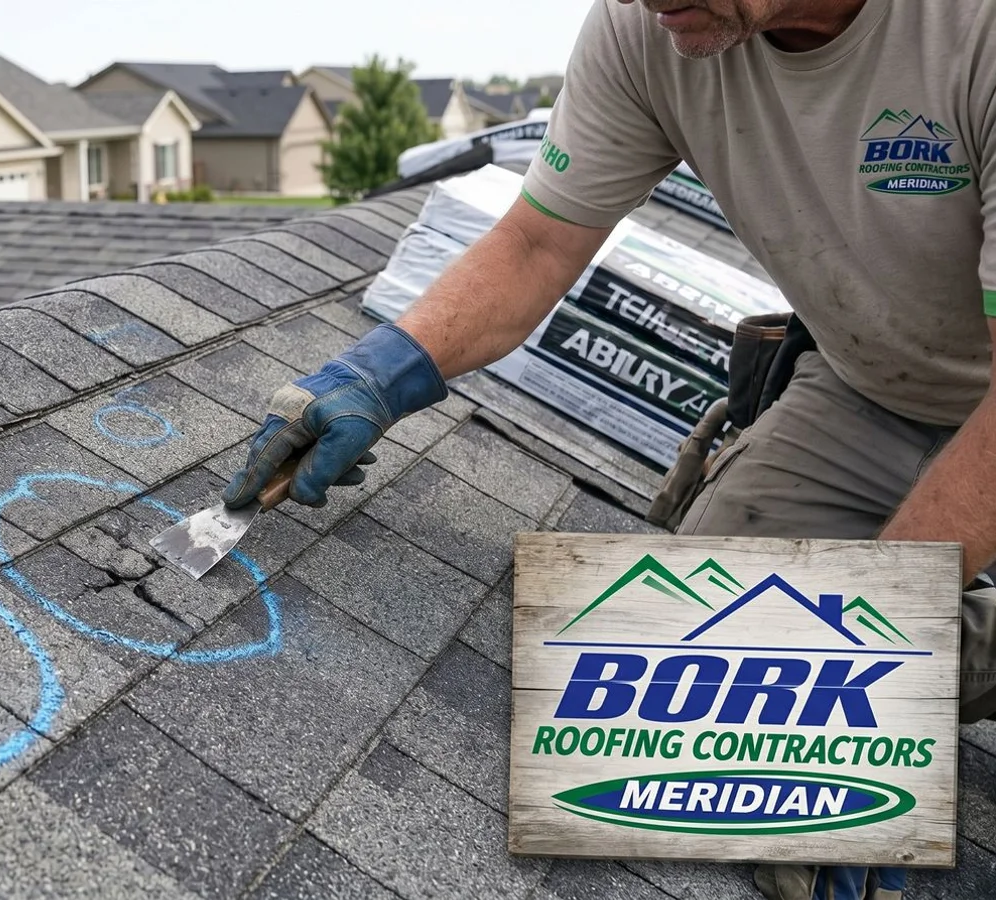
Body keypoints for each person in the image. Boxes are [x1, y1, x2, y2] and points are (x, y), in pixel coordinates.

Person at [221, 1, 996, 898]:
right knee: (702, 667)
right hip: (874, 386)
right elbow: (539, 240)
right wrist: (380, 372)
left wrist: (874, 667)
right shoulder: (647, 26)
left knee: (810, 700)